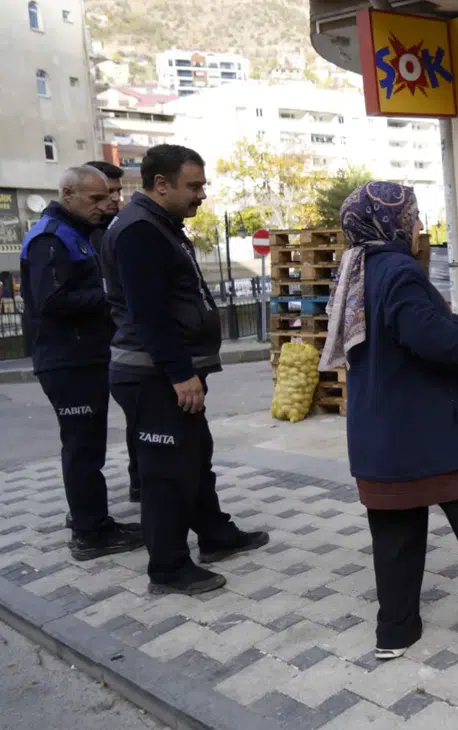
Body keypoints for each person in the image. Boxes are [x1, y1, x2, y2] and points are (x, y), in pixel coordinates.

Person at [321, 181, 458, 660]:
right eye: (414, 217)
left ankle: (396, 631)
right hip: (431, 432)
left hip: (380, 435)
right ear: (394, 222)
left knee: (395, 532)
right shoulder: (398, 270)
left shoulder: (357, 268)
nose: (419, 227)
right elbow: (431, 337)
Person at [101, 144, 268, 596]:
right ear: (161, 184)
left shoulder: (160, 226)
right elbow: (148, 314)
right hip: (154, 377)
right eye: (194, 186)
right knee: (166, 474)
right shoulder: (139, 232)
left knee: (194, 460)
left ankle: (215, 535)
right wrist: (179, 374)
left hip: (168, 371)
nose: (202, 195)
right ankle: (168, 567)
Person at [20, 166, 144, 561]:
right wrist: (111, 294)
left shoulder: (76, 234)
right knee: (82, 448)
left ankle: (94, 520)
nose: (103, 204)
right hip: (66, 361)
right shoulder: (50, 239)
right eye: (94, 198)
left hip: (84, 356)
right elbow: (51, 302)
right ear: (68, 194)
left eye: (105, 196)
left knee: (88, 446)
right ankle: (89, 534)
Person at [84, 160, 141, 505]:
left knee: (138, 418)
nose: (114, 199)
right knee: (88, 438)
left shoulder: (120, 227)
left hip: (121, 343)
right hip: (94, 345)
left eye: (119, 191)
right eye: (107, 193)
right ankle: (88, 517)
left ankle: (139, 481)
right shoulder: (79, 234)